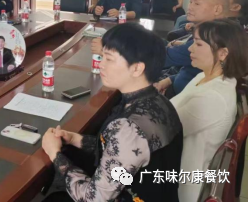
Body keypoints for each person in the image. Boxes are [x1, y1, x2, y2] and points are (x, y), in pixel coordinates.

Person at [41, 23, 183, 202]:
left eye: (108, 59)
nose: (101, 64)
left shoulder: (129, 127)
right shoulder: (158, 101)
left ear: (137, 68)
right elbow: (118, 149)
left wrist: (55, 154)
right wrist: (74, 138)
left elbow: (94, 198)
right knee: (72, 153)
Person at [170, 20, 247, 201]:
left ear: (223, 53)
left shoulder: (213, 96)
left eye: (198, 44)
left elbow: (163, 132)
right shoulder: (205, 77)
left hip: (183, 184)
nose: (190, 49)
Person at [154, 0, 230, 97]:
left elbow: (162, 57)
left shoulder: (213, 37)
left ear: (217, 9)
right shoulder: (207, 30)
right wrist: (169, 80)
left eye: (197, 3)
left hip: (181, 95)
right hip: (174, 81)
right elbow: (190, 70)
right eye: (190, 2)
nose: (190, 7)